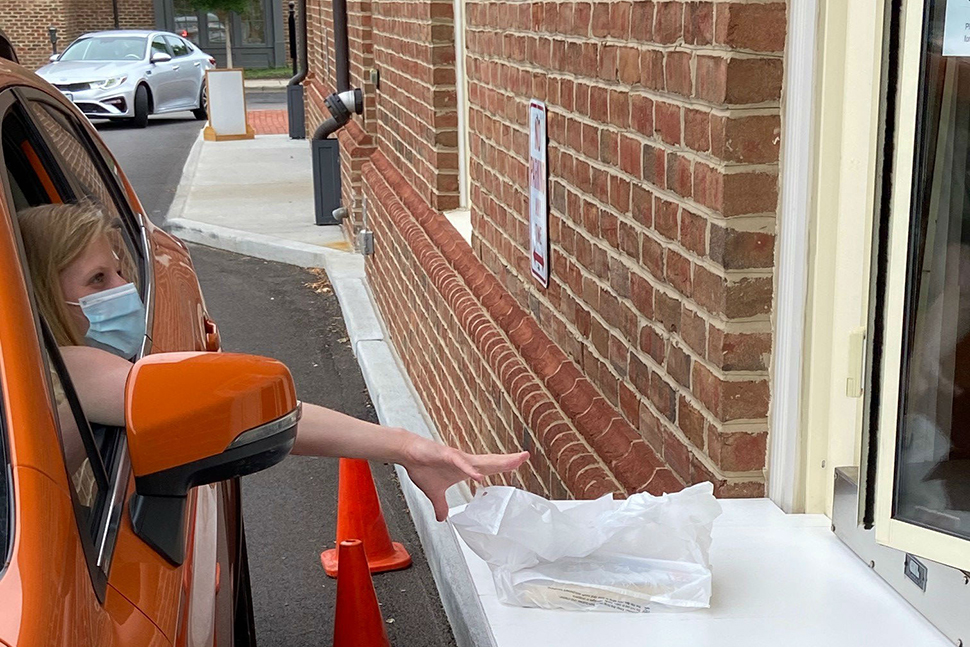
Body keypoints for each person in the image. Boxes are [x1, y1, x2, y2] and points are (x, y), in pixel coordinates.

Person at [18, 202, 529, 521]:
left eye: (120, 271)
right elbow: (247, 408)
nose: (125, 290)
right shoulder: (71, 367)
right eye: (97, 281)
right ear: (41, 295)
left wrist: (410, 448)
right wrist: (407, 448)